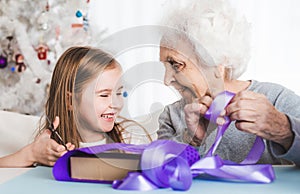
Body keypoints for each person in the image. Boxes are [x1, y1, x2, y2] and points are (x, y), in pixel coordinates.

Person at [157, 0, 300, 166]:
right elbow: (161, 171)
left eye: (176, 65)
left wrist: (282, 129)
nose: (166, 80)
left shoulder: (276, 100)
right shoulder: (171, 115)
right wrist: (192, 141)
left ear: (217, 61)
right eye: (164, 66)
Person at [0, 46, 151, 167]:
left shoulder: (129, 138)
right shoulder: (49, 149)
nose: (117, 104)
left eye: (119, 93)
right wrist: (31, 154)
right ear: (69, 101)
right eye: (104, 95)